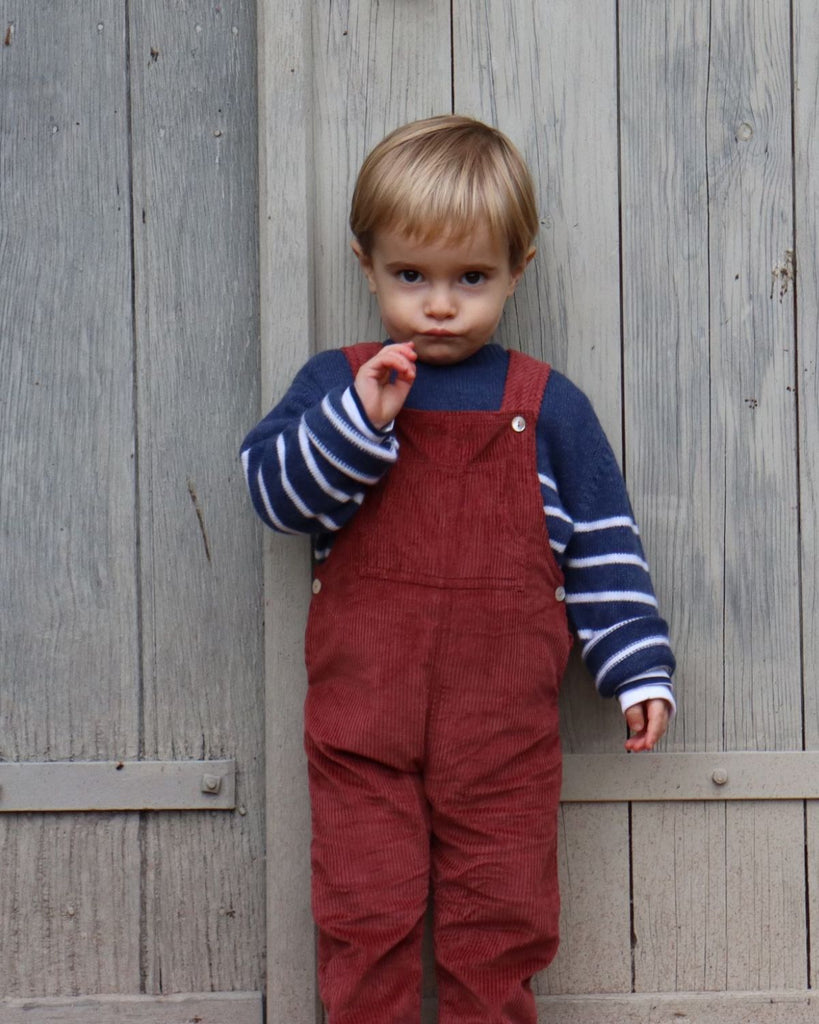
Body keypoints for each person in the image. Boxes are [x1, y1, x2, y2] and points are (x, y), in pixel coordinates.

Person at [241, 114, 675, 1024]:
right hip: (362, 727)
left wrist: (636, 668)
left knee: (502, 920)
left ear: (517, 269)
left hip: (503, 735)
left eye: (470, 278)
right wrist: (360, 422)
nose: (438, 306)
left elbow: (602, 545)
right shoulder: (339, 384)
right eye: (411, 276)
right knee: (364, 914)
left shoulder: (548, 406)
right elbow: (275, 497)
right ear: (366, 266)